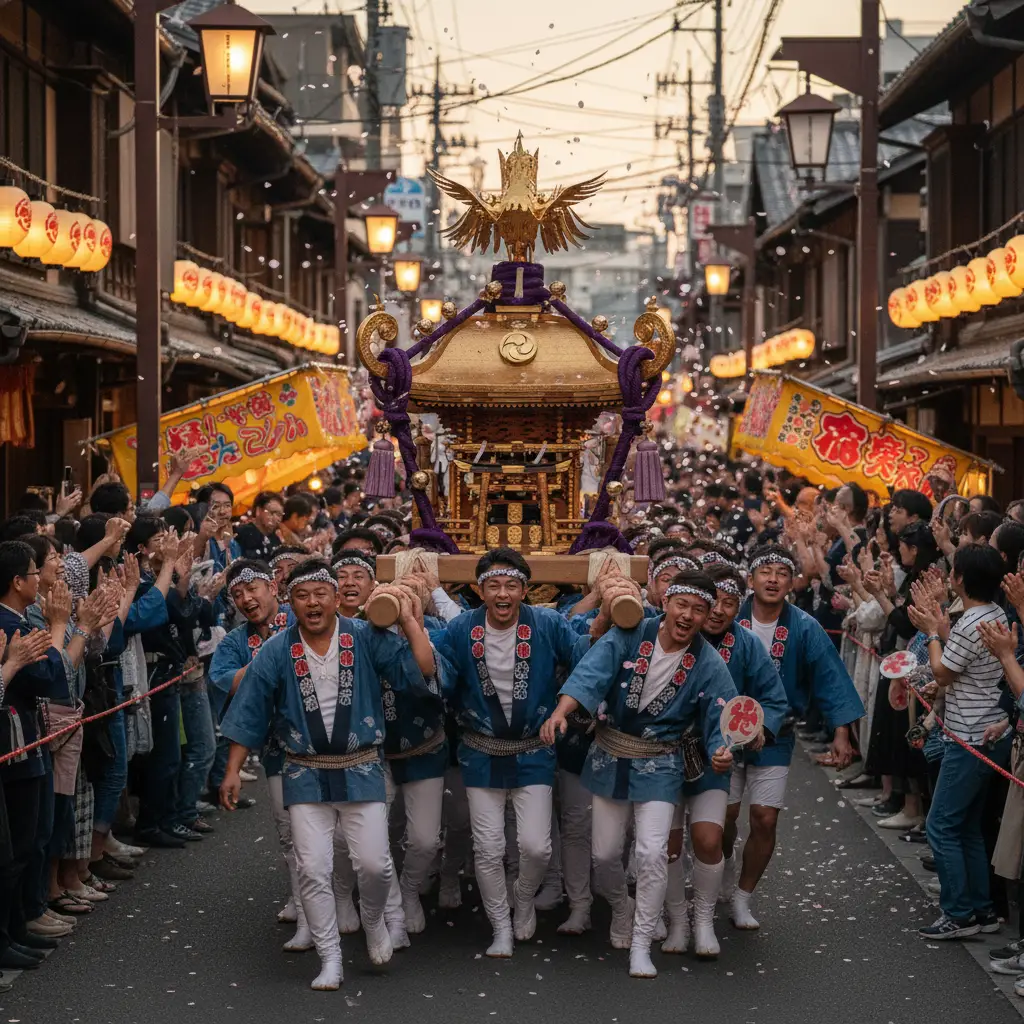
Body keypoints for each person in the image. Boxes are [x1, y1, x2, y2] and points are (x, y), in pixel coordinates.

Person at [218, 559, 438, 991]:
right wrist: (231, 770)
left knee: (374, 865)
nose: (313, 603)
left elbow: (423, 672)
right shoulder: (277, 650)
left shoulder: (366, 637)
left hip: (362, 767)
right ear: (290, 603)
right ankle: (330, 958)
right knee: (314, 869)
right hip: (304, 773)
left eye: (321, 594)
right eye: (302, 596)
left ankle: (374, 920)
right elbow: (249, 709)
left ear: (338, 599)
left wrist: (409, 619)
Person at [542, 570, 737, 979]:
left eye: (699, 610)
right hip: (612, 753)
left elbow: (723, 715)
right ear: (665, 603)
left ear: (706, 617)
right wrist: (561, 712)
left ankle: (641, 943)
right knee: (605, 854)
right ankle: (619, 906)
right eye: (681, 605)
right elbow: (591, 673)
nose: (688, 615)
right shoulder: (630, 633)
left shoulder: (708, 660)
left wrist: (723, 751)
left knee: (650, 854)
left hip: (662, 762)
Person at [432, 548, 589, 958]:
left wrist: (609, 614)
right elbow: (437, 673)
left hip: (534, 749)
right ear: (480, 589)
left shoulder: (549, 623)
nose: (503, 594)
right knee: (488, 848)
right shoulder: (462, 628)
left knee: (536, 846)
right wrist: (411, 618)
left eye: (512, 585)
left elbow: (586, 660)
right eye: (494, 585)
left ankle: (522, 899)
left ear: (525, 589)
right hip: (481, 750)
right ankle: (500, 924)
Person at [727, 545, 864, 931]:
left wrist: (841, 732)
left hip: (776, 734)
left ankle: (742, 896)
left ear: (793, 581)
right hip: (724, 732)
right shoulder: (728, 618)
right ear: (749, 578)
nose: (772, 579)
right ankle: (719, 875)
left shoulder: (804, 626)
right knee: (724, 817)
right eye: (764, 571)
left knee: (764, 818)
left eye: (781, 572)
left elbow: (829, 678)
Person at [665, 563, 788, 956]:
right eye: (711, 602)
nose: (718, 611)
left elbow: (773, 697)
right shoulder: (667, 634)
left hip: (718, 752)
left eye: (730, 604)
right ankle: (674, 919)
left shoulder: (747, 644)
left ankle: (708, 917)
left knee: (710, 836)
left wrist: (757, 729)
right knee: (663, 844)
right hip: (664, 753)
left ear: (740, 607)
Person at [909, 543, 1011, 939]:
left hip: (969, 735)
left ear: (961, 579)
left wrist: (933, 632)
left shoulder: (969, 622)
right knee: (966, 825)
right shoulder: (996, 613)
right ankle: (981, 909)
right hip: (989, 731)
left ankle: (958, 914)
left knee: (941, 825)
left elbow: (943, 670)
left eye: (953, 571)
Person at [209, 560, 299, 942]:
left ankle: (338, 895)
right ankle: (301, 896)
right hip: (277, 748)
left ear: (274, 588)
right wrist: (270, 656)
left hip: (328, 738)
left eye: (253, 589)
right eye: (238, 594)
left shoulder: (305, 618)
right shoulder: (234, 642)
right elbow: (229, 683)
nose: (247, 599)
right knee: (287, 829)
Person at [235, 492, 284, 561]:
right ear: (258, 511)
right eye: (272, 513)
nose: (276, 518)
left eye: (279, 515)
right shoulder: (242, 534)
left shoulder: (276, 539)